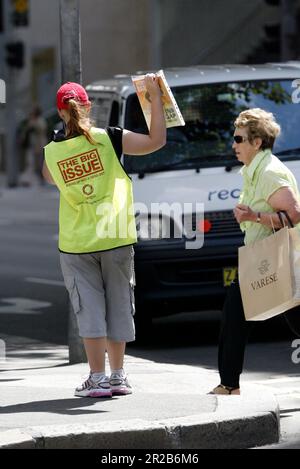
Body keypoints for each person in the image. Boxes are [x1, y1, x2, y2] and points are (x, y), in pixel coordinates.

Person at [42, 76, 166, 398]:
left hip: (77, 242)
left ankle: (96, 379)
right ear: (88, 106)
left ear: (60, 112)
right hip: (116, 235)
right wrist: (154, 100)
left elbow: (48, 177)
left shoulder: (53, 151)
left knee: (91, 309)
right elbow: (156, 142)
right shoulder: (110, 138)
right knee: (118, 305)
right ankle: (118, 376)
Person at [209, 108, 300, 395]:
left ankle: (229, 384)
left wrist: (253, 218)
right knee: (238, 317)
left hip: (277, 259)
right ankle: (229, 383)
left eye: (238, 139)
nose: (233, 145)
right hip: (266, 258)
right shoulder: (255, 170)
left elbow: (295, 214)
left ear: (257, 142)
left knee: (235, 315)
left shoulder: (271, 172)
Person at [20, 106, 48, 186]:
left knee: (39, 163)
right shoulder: (31, 121)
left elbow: (41, 130)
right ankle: (29, 180)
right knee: (30, 163)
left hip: (39, 145)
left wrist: (33, 124)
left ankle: (42, 179)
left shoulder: (40, 121)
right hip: (32, 146)